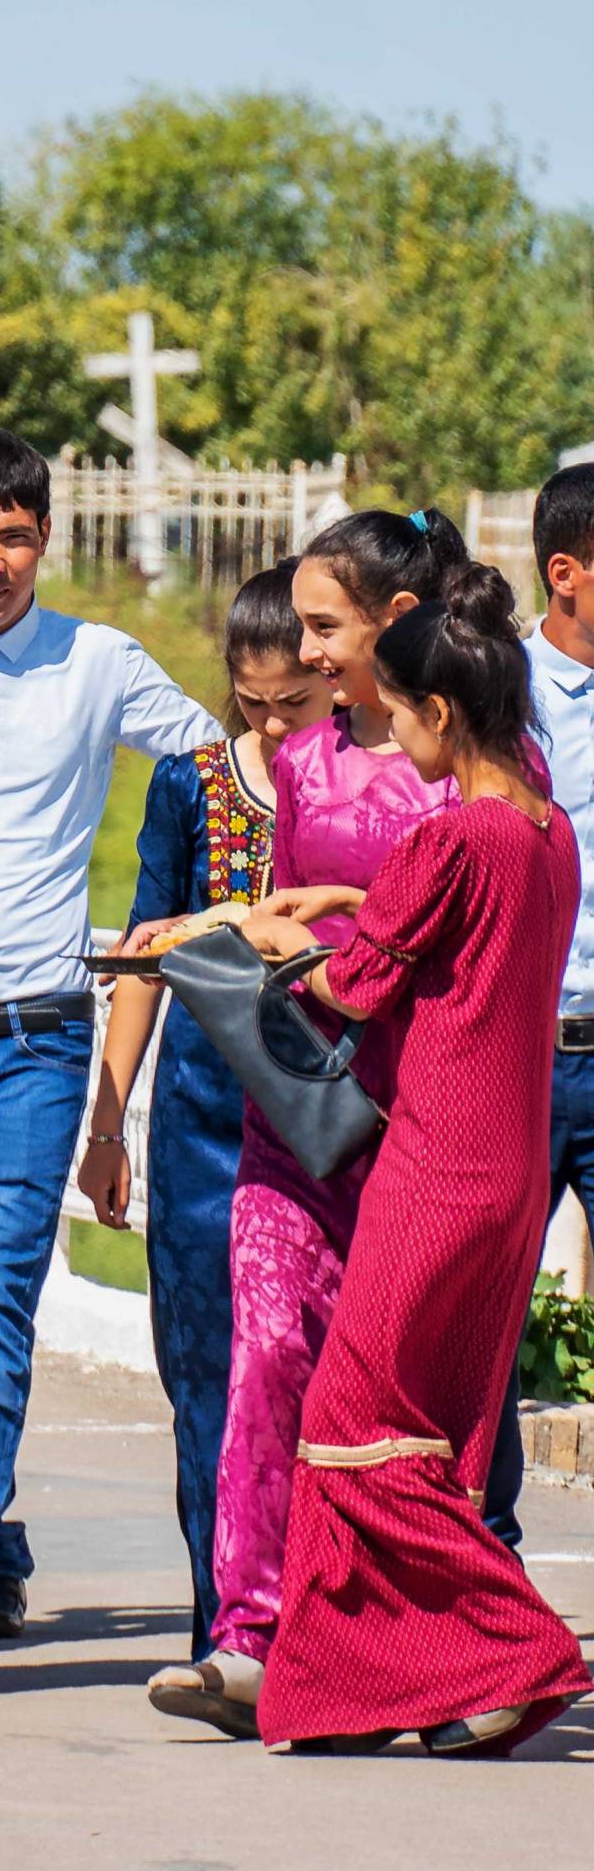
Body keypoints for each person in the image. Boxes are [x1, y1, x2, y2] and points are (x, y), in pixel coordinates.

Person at [243, 564, 590, 1756]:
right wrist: (353, 893)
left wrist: (271, 940)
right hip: (510, 1173)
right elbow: (451, 948)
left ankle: (521, 1651)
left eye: (395, 715)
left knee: (350, 1424)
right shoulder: (544, 836)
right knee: (426, 1439)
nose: (385, 732)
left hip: (435, 1170)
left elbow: (358, 983)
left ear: (442, 713)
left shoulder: (451, 837)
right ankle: (390, 1684)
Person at [0, 427, 218, 1640]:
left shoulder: (101, 662)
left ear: (47, 540)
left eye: (13, 536)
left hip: (31, 1039)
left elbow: (229, 773)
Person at [149, 506, 466, 1738]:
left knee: (389, 1386)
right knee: (270, 1345)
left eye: (326, 626)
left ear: (397, 621)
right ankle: (249, 1634)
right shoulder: (305, 762)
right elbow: (287, 909)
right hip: (297, 1100)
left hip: (419, 1106)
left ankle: (398, 1649)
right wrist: (203, 936)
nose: (308, 653)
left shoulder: (479, 756)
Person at [76, 563, 334, 1659]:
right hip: (196, 1111)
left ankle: (314, 1623)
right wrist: (108, 1121)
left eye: (296, 704)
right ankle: (220, 1619)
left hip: (325, 1111)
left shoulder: (358, 790)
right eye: (253, 704)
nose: (273, 726)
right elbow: (143, 956)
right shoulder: (186, 785)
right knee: (205, 1367)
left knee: (309, 1369)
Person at [482, 462, 594, 1545]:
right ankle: (491, 1555)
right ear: (565, 575)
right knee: (487, 1314)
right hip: (511, 1052)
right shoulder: (492, 699)